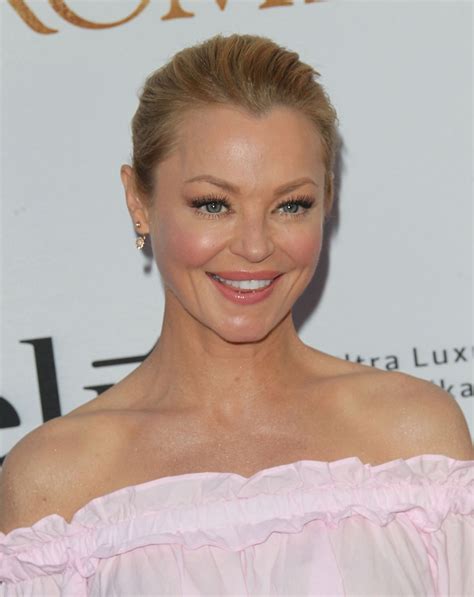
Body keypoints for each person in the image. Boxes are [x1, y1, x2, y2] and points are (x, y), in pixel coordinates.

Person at [0, 32, 472, 596]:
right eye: (213, 204)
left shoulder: (414, 441)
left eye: (290, 205)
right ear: (138, 202)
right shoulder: (57, 483)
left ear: (328, 199)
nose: (254, 246)